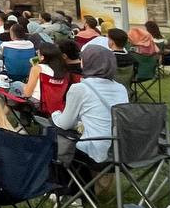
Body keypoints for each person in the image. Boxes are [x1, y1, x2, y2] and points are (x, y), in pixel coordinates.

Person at [50, 45, 129, 182]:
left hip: (95, 152)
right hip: (120, 150)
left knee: (53, 131)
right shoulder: (121, 88)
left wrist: (54, 114)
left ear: (88, 63)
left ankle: (67, 188)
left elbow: (65, 124)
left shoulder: (80, 88)